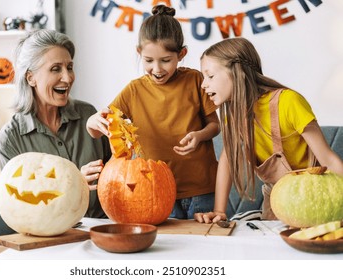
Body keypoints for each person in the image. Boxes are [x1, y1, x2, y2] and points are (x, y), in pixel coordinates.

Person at [0, 29, 111, 244]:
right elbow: (21, 209)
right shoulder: (11, 139)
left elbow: (119, 176)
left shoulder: (88, 116)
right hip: (48, 243)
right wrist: (73, 184)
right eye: (56, 69)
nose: (68, 77)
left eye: (69, 67)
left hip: (101, 236)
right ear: (31, 77)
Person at [86, 5, 220, 219]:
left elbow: (215, 125)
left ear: (181, 54)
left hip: (202, 188)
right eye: (149, 61)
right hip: (155, 190)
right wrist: (92, 121)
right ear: (139, 53)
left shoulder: (195, 80)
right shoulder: (133, 91)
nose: (157, 69)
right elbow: (100, 128)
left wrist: (199, 136)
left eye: (166, 60)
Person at [194, 37, 343, 224]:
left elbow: (328, 159)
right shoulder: (233, 116)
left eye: (210, 76)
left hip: (315, 196)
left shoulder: (289, 102)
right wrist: (219, 211)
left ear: (237, 72)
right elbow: (228, 161)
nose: (203, 84)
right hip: (275, 198)